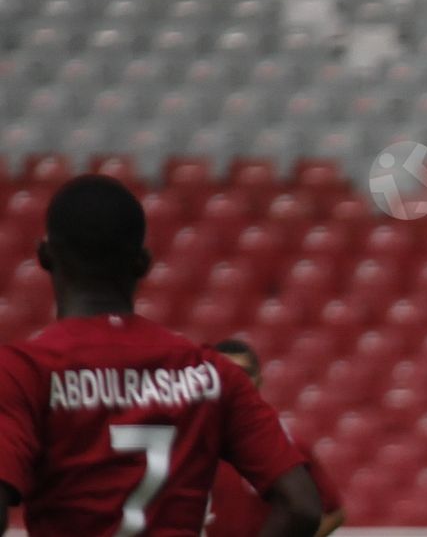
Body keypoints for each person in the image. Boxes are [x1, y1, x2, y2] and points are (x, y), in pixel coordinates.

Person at [0, 174, 322, 536]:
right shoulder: (211, 372)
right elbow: (302, 506)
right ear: (144, 263)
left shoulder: (22, 373)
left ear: (44, 256)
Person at [205, 339, 345, 537]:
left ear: (259, 380)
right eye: (224, 373)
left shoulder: (285, 444)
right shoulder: (185, 442)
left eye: (245, 373)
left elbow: (333, 513)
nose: (235, 381)